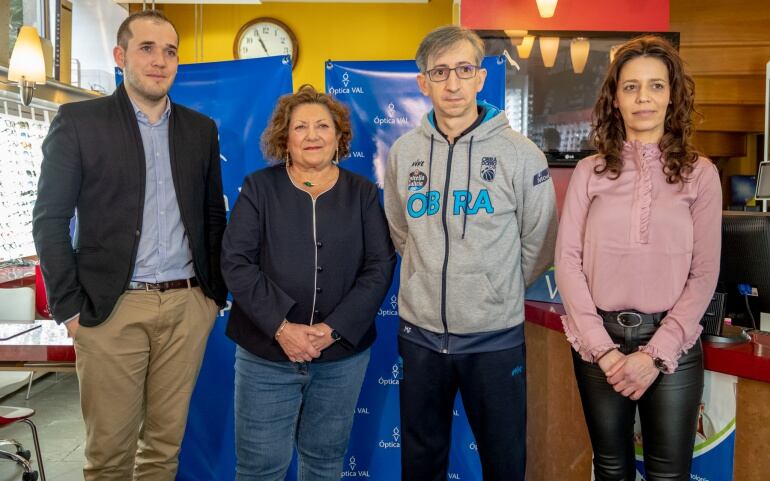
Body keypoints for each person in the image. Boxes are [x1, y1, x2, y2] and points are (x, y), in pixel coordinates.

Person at [32, 10, 226, 481]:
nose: (160, 60)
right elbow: (49, 220)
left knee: (163, 448)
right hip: (110, 310)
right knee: (109, 457)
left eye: (170, 51)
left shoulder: (200, 130)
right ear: (120, 57)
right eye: (147, 48)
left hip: (186, 307)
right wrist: (71, 310)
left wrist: (212, 296)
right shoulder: (79, 122)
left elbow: (212, 217)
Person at [384, 25, 557, 481]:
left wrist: (493, 287)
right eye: (439, 72)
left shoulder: (520, 155)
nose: (453, 83)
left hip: (494, 339)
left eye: (463, 69)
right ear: (423, 83)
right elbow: (401, 232)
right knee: (420, 462)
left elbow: (539, 242)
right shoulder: (404, 153)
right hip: (420, 336)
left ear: (481, 77)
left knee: (503, 462)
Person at [555, 35, 721, 481]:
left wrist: (655, 355)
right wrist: (604, 352)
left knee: (669, 475)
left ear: (673, 96)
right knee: (610, 469)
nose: (643, 98)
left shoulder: (701, 173)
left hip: (672, 348)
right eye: (630, 87)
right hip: (597, 344)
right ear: (615, 99)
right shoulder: (589, 171)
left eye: (655, 86)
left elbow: (704, 273)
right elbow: (567, 261)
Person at [221, 84, 395, 481]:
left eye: (322, 126)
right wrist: (282, 328)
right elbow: (236, 262)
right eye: (301, 127)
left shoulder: (364, 193)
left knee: (324, 462)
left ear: (339, 137)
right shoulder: (258, 188)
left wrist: (331, 331)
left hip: (341, 358)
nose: (312, 135)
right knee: (259, 468)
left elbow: (379, 266)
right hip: (265, 353)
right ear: (285, 137)